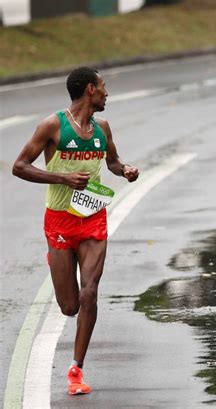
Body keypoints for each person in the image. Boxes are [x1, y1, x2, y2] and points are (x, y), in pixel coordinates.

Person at [12, 67, 139, 394]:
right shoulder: (53, 125)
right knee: (69, 306)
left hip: (93, 217)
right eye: (103, 86)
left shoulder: (103, 128)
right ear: (89, 90)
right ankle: (56, 260)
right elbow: (19, 166)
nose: (107, 93)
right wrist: (63, 178)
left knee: (90, 291)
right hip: (59, 221)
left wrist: (124, 170)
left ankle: (76, 370)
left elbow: (111, 161)